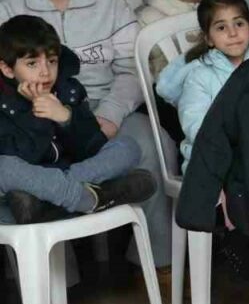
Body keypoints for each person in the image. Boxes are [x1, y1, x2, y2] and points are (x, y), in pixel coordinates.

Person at [0, 0, 172, 276]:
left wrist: (109, 114)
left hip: (102, 107)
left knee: (154, 144)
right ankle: (54, 282)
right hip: (30, 113)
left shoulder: (109, 3)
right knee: (17, 163)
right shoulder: (7, 8)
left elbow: (131, 70)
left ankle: (159, 263)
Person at [0, 15, 155, 224]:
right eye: (32, 64)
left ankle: (55, 201)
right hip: (28, 179)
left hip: (70, 173)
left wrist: (66, 117)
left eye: (52, 61)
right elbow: (22, 158)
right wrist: (38, 117)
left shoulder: (68, 89)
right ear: (7, 69)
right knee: (4, 167)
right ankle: (94, 197)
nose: (45, 72)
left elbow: (93, 147)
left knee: (128, 147)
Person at [155, 0, 249, 171]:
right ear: (209, 39)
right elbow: (196, 127)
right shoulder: (199, 77)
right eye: (221, 27)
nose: (232, 33)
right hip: (210, 161)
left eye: (239, 23)